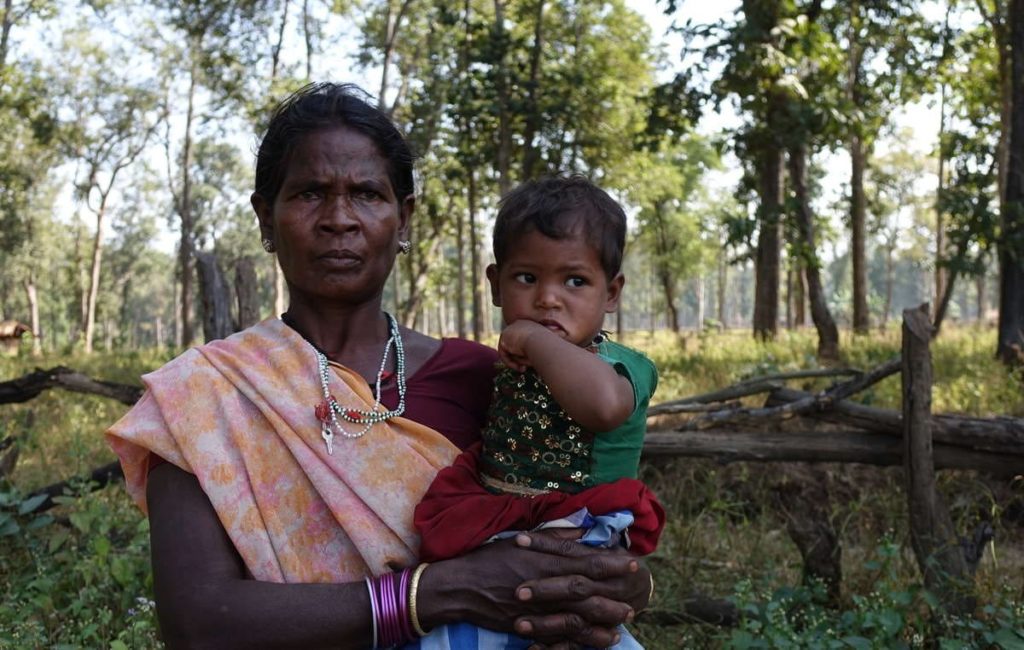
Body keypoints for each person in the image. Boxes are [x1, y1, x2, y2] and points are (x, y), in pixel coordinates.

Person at [106, 82, 651, 650]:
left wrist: (623, 584)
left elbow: (595, 523)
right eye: (309, 194)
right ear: (266, 218)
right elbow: (197, 624)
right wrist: (430, 594)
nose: (339, 218)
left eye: (367, 194)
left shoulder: (489, 375)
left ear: (404, 219)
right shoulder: (203, 398)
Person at [413, 177, 664, 649]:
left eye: (575, 281)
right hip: (497, 519)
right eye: (527, 278)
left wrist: (533, 337)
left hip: (579, 531)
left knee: (572, 627)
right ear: (496, 285)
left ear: (610, 294)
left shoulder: (618, 366)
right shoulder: (506, 364)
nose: (549, 298)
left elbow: (604, 407)